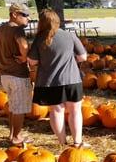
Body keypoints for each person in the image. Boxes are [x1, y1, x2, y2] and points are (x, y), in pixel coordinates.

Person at [28, 9, 88, 147]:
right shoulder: (69, 35)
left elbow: (32, 61)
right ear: (57, 21)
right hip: (72, 79)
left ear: (41, 23)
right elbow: (82, 57)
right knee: (75, 111)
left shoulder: (39, 39)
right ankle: (78, 142)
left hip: (50, 82)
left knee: (56, 111)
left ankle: (62, 142)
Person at [0, 3, 33, 145]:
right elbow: (23, 45)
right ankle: (17, 137)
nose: (27, 18)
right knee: (19, 108)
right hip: (18, 74)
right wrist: (25, 57)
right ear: (14, 14)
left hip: (4, 74)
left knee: (12, 106)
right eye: (24, 15)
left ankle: (12, 134)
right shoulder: (17, 30)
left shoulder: (0, 29)